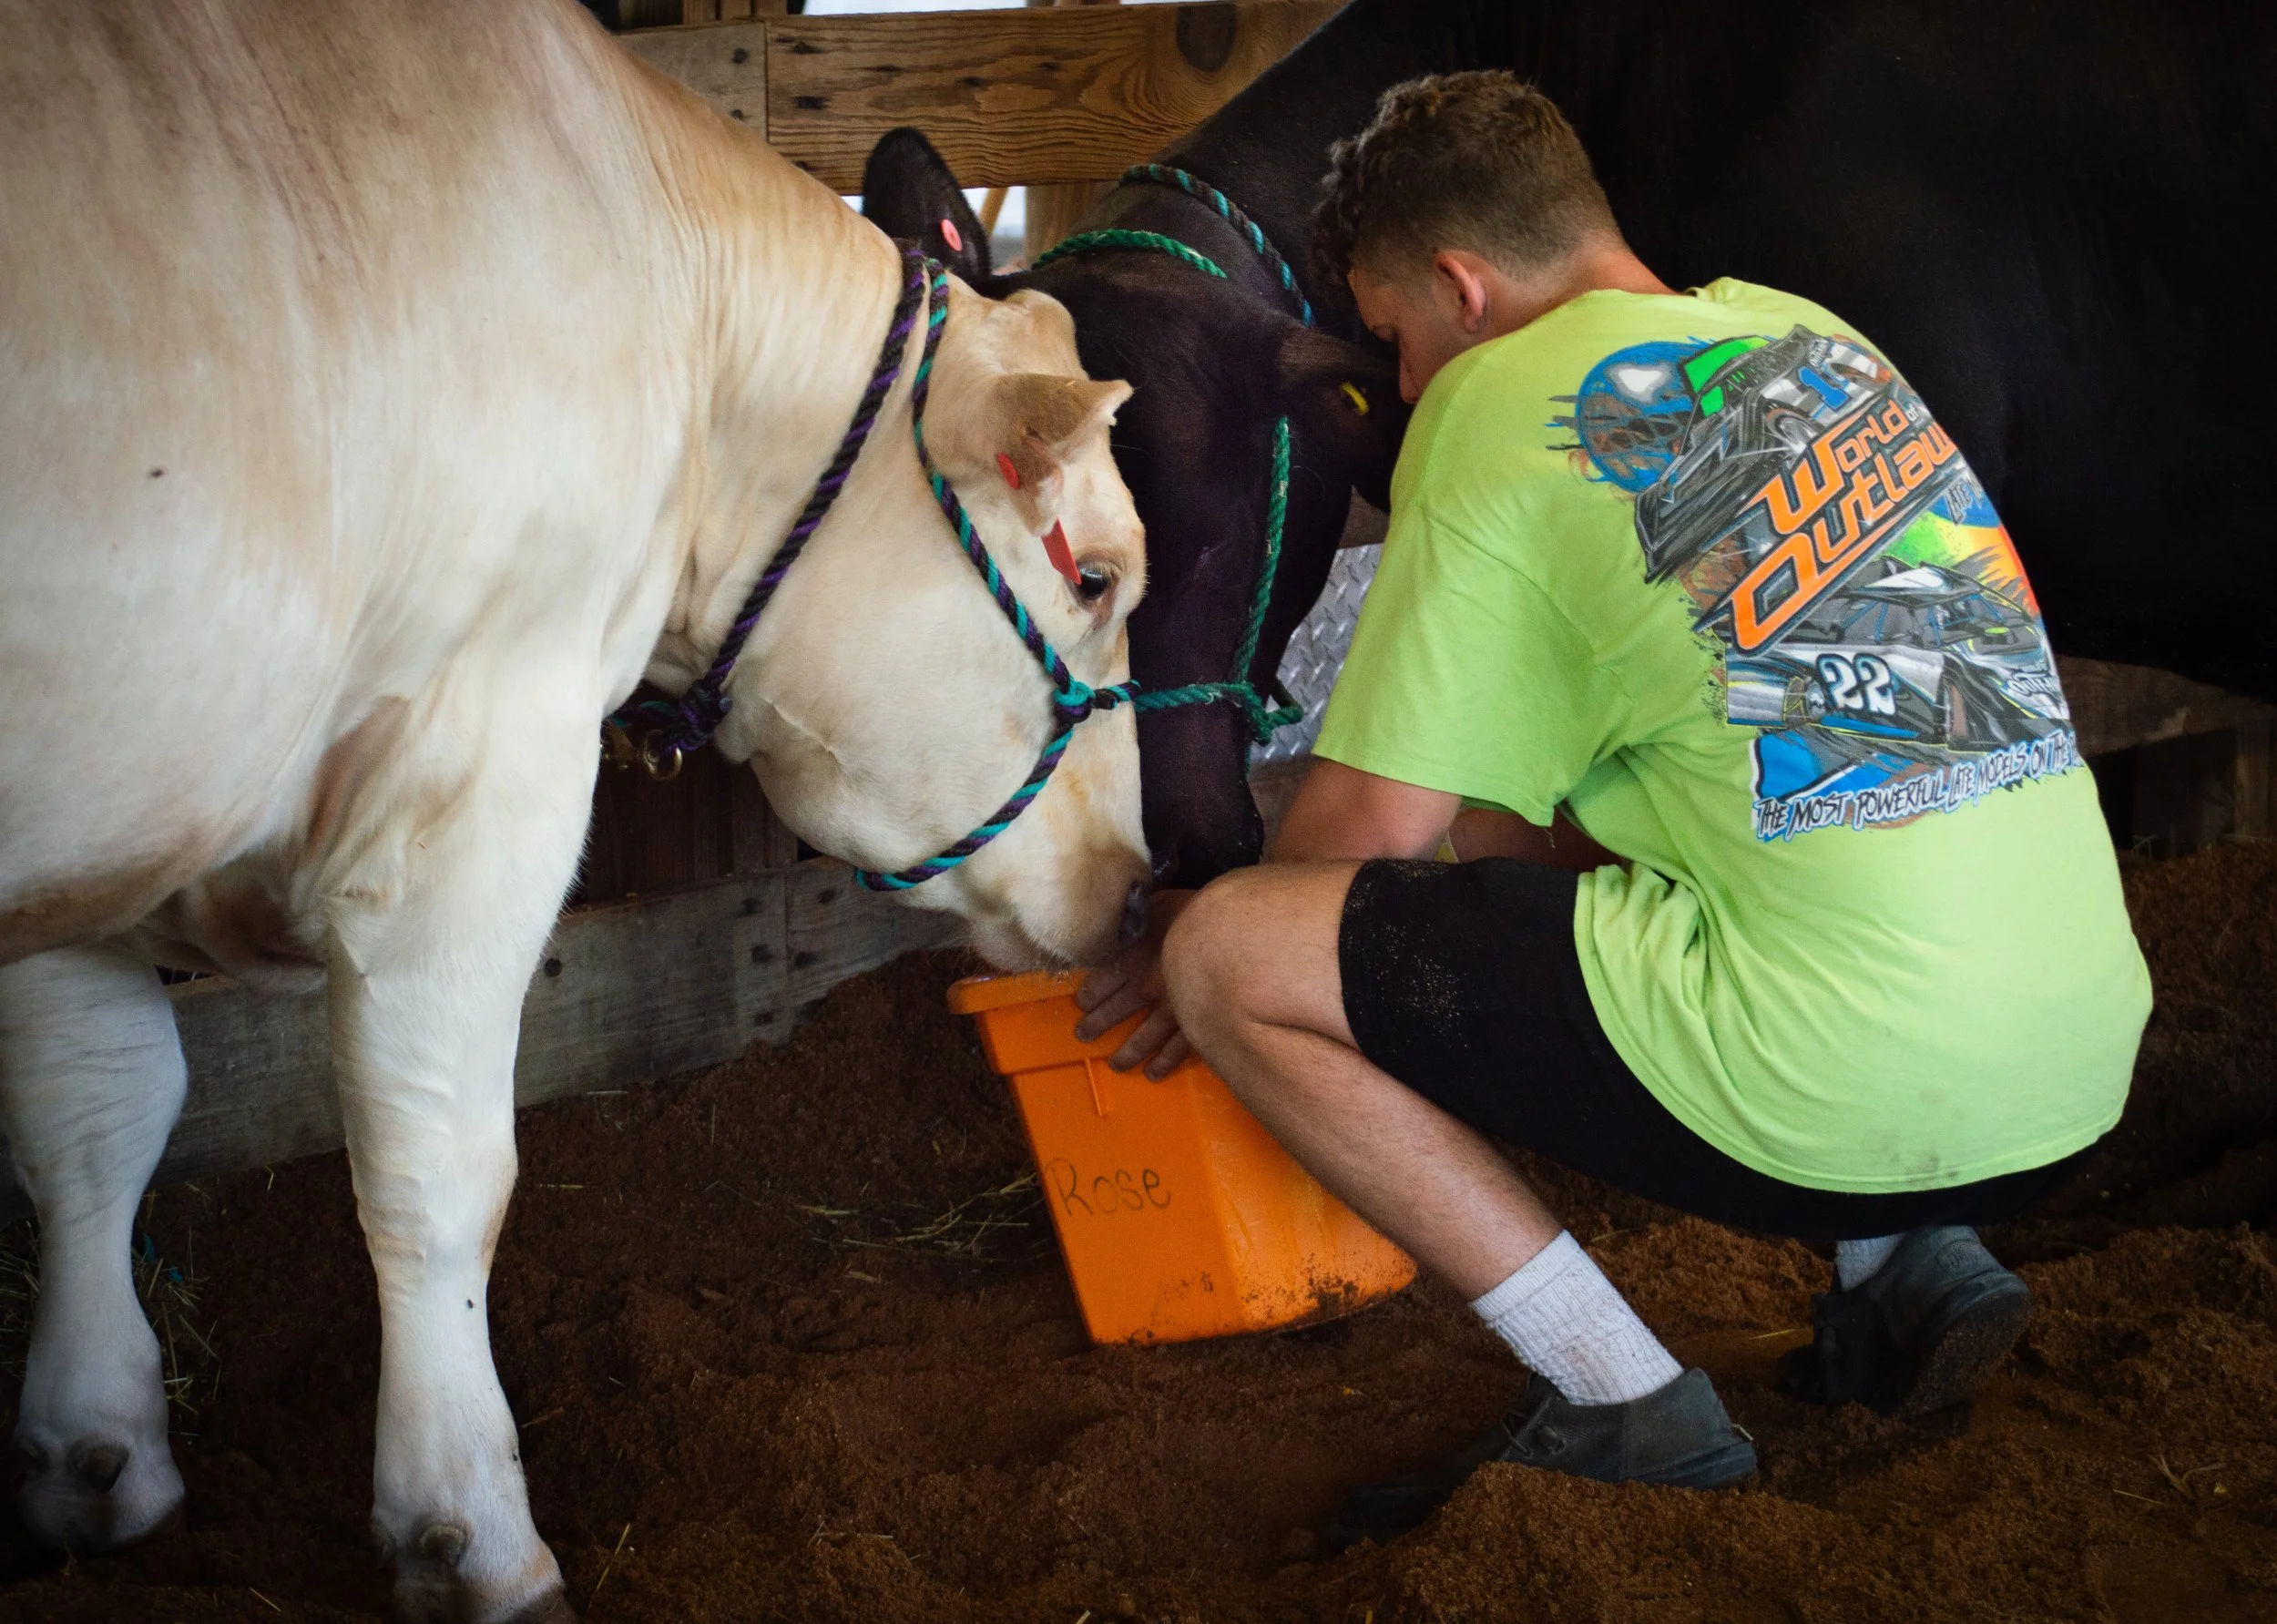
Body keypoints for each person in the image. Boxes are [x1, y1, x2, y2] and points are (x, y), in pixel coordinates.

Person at [1075, 70, 2150, 1537]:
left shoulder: (1502, 400)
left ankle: (1623, 1398)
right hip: (2079, 1067)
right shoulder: (1805, 339)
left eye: (1394, 340)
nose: (1400, 391)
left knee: (1232, 964)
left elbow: (1350, 854)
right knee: (1660, 805)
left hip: (1839, 1086)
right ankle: (1911, 1264)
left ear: (1461, 284)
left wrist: (1198, 935)